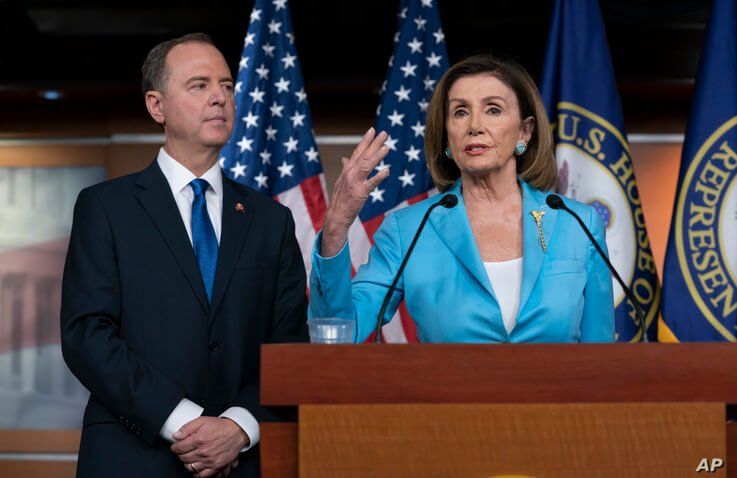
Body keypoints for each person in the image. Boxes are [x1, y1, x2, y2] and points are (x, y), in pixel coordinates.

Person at [61, 33, 308, 478]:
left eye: (227, 86)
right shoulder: (105, 208)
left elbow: (288, 345)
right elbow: (87, 336)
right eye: (200, 85)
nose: (219, 98)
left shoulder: (272, 221)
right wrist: (182, 421)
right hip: (133, 456)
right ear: (157, 106)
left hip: (244, 460)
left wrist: (238, 426)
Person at [310, 54, 614, 343]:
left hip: (556, 397)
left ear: (525, 131)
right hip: (448, 398)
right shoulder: (409, 229)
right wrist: (336, 225)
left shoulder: (578, 225)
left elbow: (600, 357)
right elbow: (340, 331)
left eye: (493, 109)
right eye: (460, 112)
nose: (475, 126)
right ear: (446, 136)